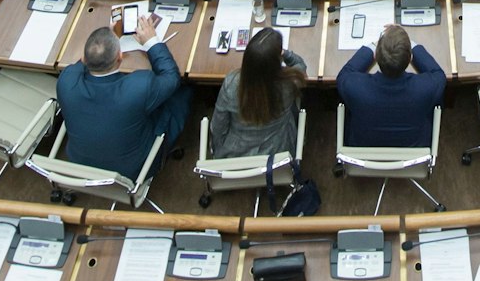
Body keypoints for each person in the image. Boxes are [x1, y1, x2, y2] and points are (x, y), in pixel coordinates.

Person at [57, 19, 191, 179]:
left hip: (81, 165)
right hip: (133, 170)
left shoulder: (66, 81)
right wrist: (151, 42)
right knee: (182, 92)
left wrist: (106, 42)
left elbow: (81, 63)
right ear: (120, 57)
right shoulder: (139, 86)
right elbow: (171, 77)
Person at [336, 24, 447, 148]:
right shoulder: (426, 88)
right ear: (410, 58)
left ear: (376, 57)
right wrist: (408, 43)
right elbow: (438, 74)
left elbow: (345, 74)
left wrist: (374, 45)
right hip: (413, 155)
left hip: (363, 152)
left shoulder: (354, 88)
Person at [210, 28, 307, 159]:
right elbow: (300, 65)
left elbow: (218, 126)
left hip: (234, 153)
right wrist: (285, 53)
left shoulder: (232, 83)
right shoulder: (288, 83)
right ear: (276, 61)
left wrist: (219, 152)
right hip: (277, 153)